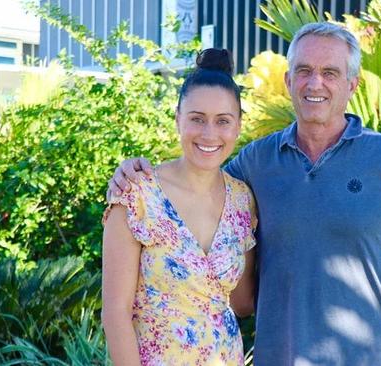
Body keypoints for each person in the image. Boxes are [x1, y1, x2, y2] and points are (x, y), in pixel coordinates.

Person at [109, 23, 381, 366]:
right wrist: (131, 173)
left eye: (330, 72)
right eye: (304, 71)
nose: (315, 83)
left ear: (352, 84)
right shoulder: (255, 163)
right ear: (288, 81)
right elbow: (195, 179)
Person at [101, 48, 258, 366]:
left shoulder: (242, 200)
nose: (209, 134)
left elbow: (243, 303)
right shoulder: (137, 193)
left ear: (238, 126)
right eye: (197, 119)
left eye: (223, 121)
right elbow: (116, 314)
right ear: (177, 119)